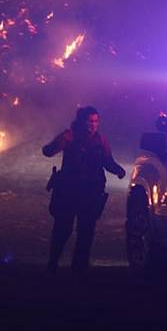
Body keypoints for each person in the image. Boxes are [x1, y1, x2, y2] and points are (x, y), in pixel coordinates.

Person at [43, 106, 126, 274]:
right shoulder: (70, 136)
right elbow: (48, 151)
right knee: (62, 229)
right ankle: (53, 263)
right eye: (90, 121)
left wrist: (118, 170)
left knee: (86, 232)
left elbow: (107, 161)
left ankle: (79, 269)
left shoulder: (100, 140)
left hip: (91, 192)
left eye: (96, 121)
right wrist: (62, 141)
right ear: (81, 121)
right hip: (69, 190)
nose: (93, 125)